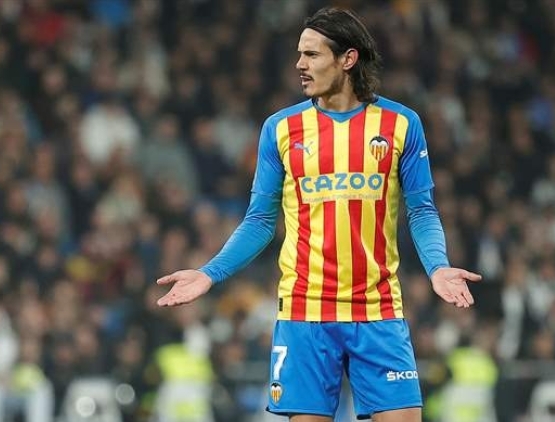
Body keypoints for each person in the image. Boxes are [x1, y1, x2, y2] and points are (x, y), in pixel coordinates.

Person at [157, 7, 481, 422]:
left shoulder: (401, 124)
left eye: (311, 54)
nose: (299, 64)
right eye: (299, 54)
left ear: (348, 59)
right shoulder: (280, 128)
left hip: (376, 310)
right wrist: (209, 273)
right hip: (305, 313)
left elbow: (421, 210)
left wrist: (437, 266)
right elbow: (260, 221)